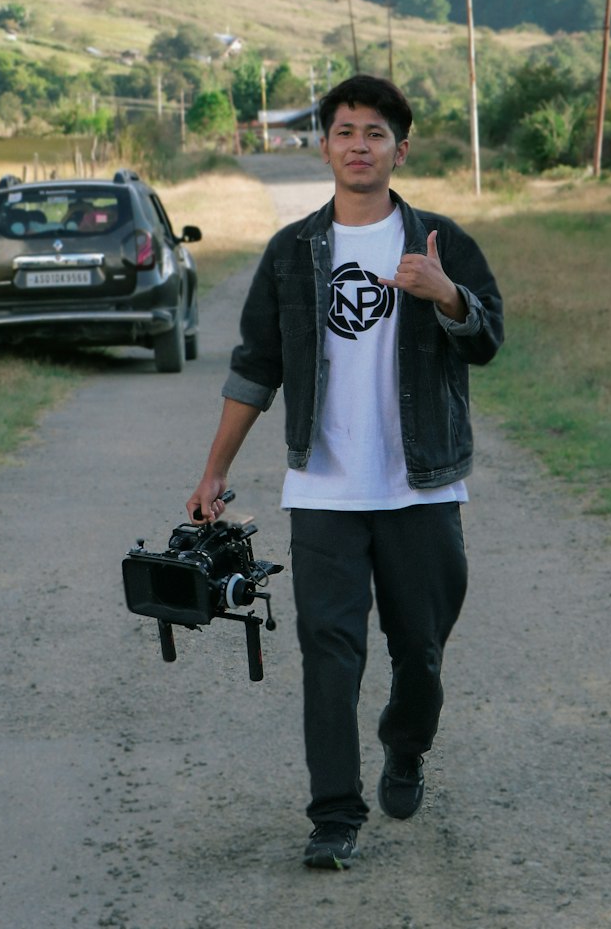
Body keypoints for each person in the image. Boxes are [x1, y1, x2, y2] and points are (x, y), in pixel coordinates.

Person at [187, 74, 503, 870]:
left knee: (421, 655)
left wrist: (448, 297)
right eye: (345, 130)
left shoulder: (441, 240)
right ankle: (334, 814)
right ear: (324, 144)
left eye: (375, 132)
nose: (359, 145)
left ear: (401, 147)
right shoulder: (292, 251)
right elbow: (255, 367)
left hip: (421, 487)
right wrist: (213, 471)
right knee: (329, 653)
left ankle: (405, 744)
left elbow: (489, 337)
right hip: (324, 489)